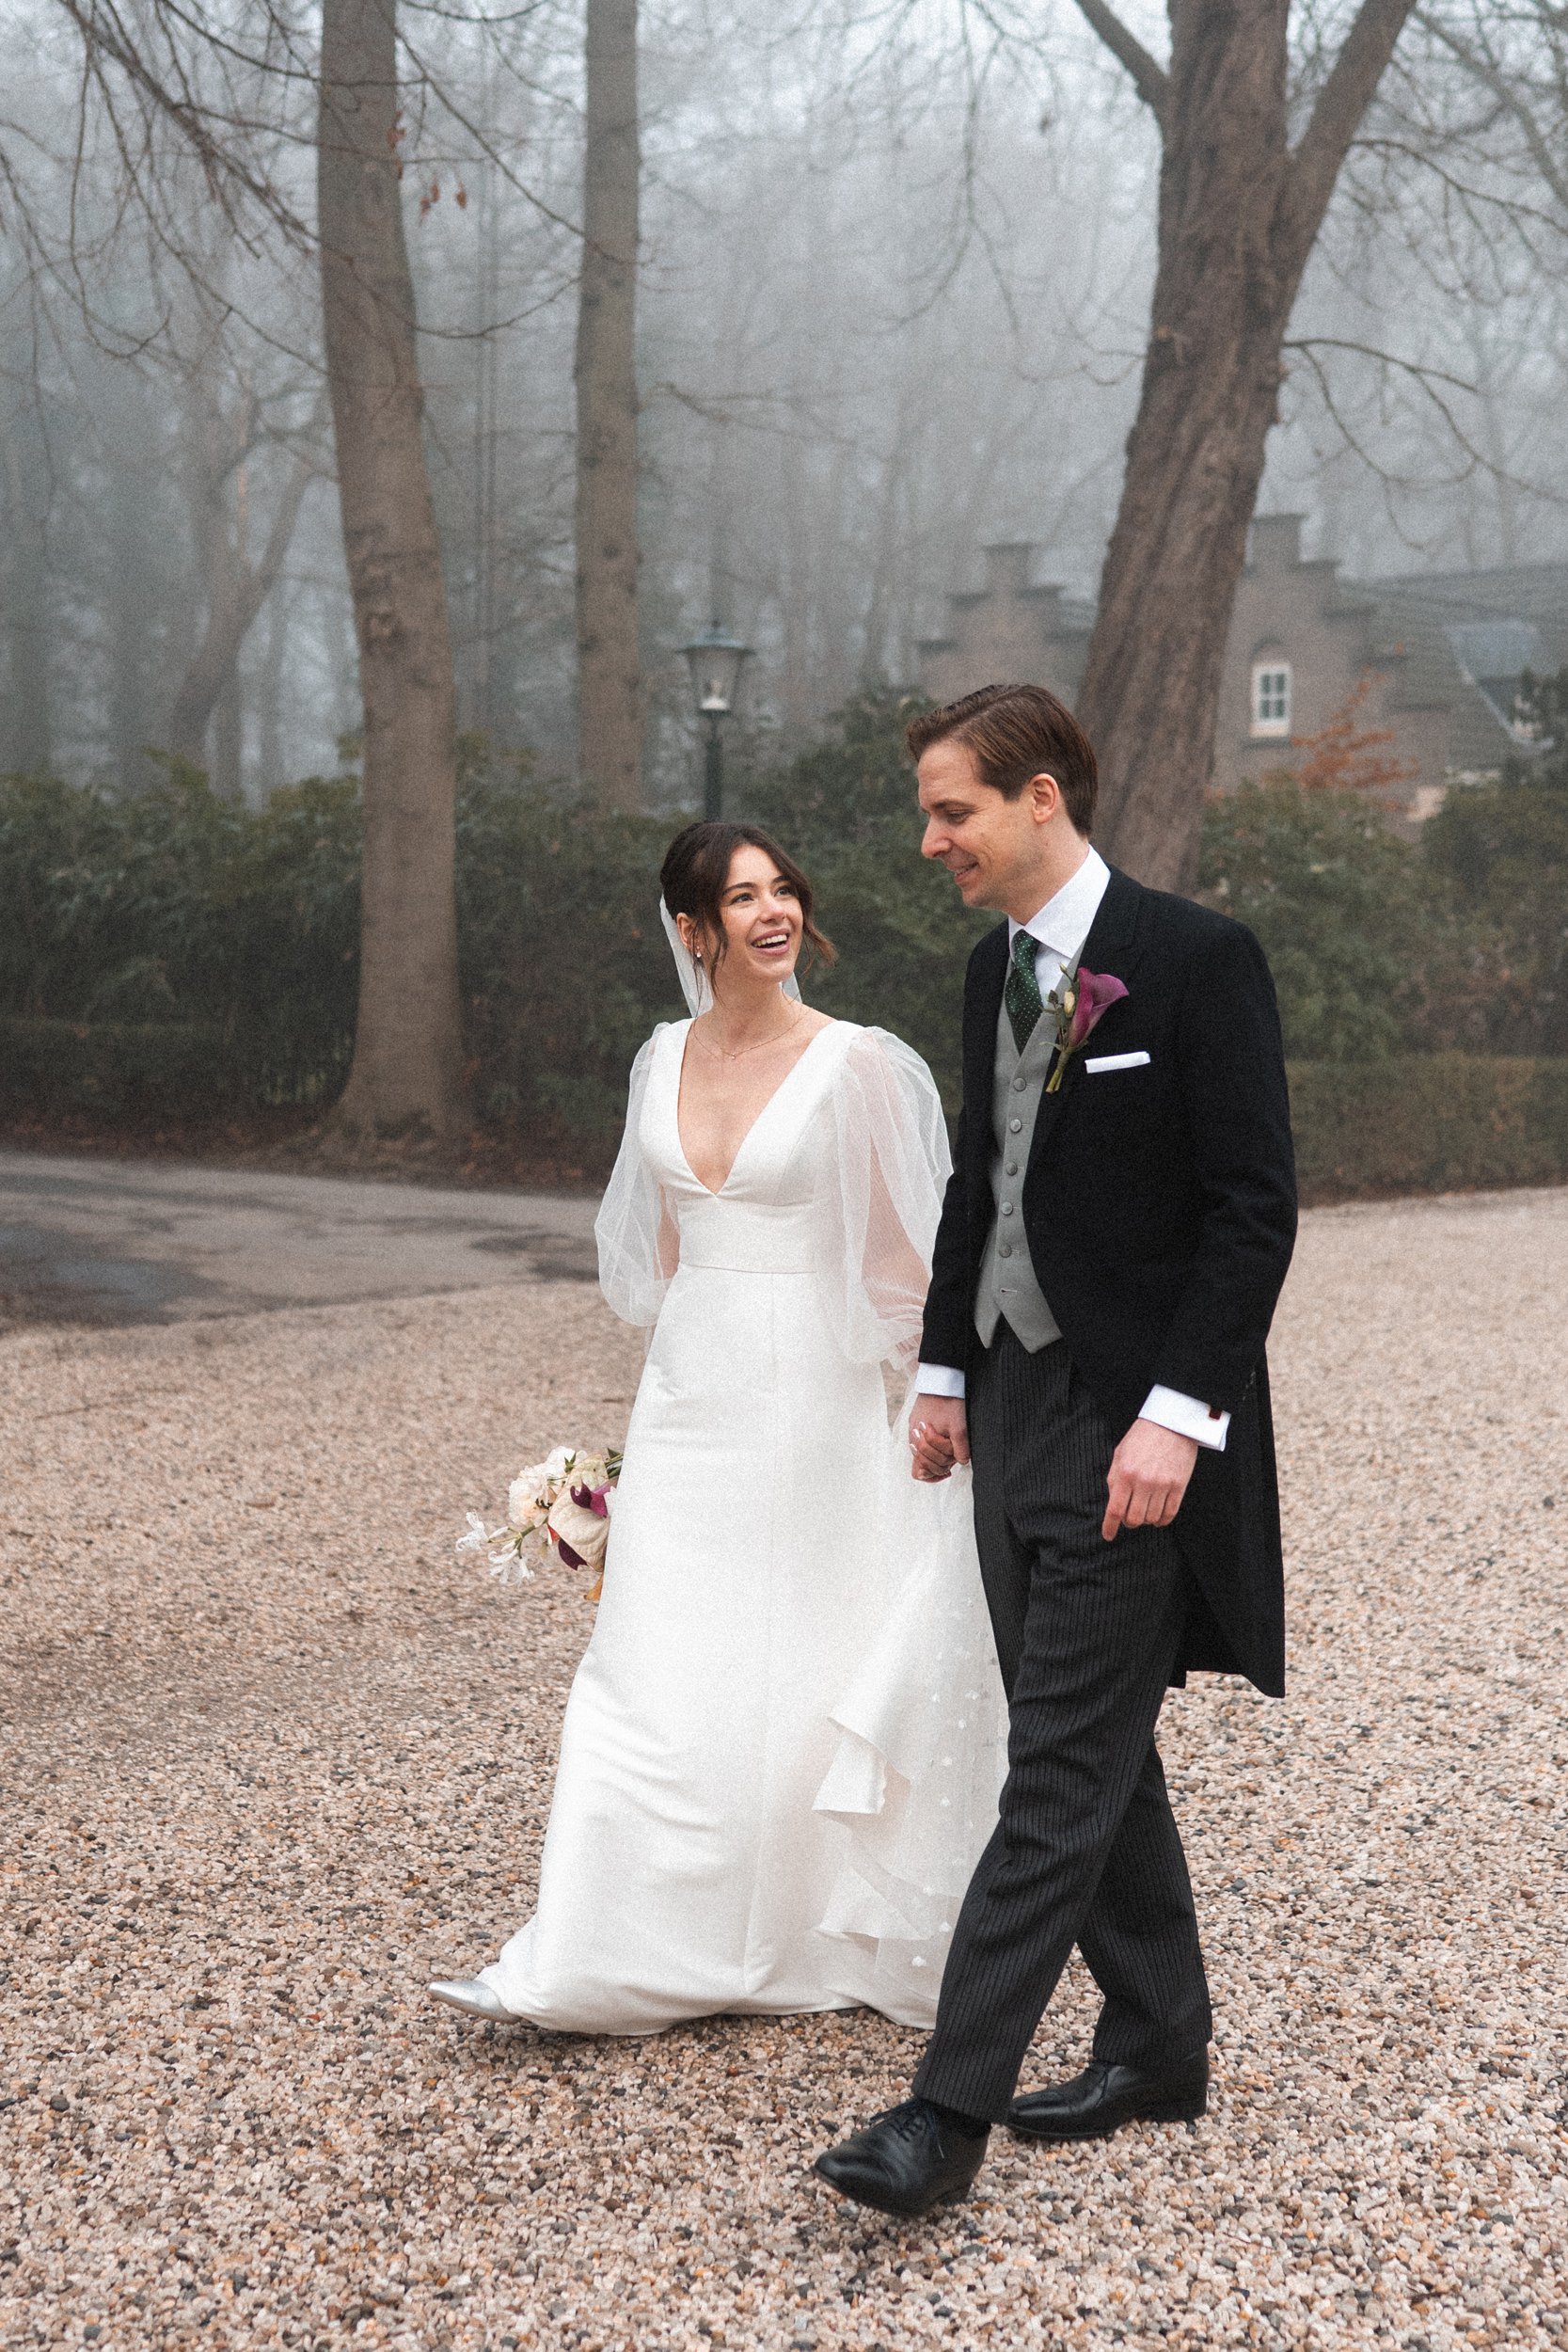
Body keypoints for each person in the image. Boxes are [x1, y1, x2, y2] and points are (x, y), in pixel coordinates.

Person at [815, 682, 1298, 2218]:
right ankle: (1160, 2042)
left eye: (951, 809)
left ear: (1042, 798)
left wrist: (1179, 1418)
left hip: (1131, 1428)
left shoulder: (1198, 960)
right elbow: (983, 1189)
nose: (931, 838)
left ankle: (940, 2119)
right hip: (1013, 1408)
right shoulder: (993, 970)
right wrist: (948, 1368)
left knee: (1055, 1770)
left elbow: (1252, 1210)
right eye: (929, 812)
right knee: (1089, 1746)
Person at [428, 820, 1006, 2036]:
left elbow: (910, 1265)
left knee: (805, 1648)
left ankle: (801, 1930)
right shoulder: (660, 1059)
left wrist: (933, 1409)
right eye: (742, 898)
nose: (773, 911)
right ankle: (602, 1943)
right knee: (650, 1657)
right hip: (693, 1397)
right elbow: (671, 1248)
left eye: (784, 888)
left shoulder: (860, 1066)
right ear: (693, 931)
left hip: (818, 1396)